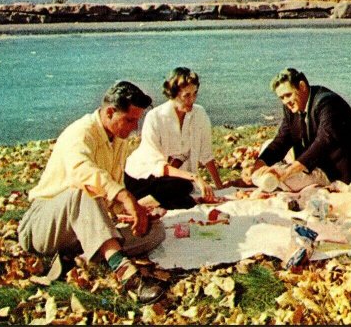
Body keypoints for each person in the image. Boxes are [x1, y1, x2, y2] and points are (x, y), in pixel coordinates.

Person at [18, 81, 167, 304]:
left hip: (80, 225)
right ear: (109, 112)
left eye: (137, 120)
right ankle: (127, 275)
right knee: (83, 191)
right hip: (43, 226)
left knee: (155, 231)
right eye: (129, 120)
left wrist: (133, 213)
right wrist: (125, 196)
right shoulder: (79, 132)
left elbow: (111, 196)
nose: (134, 128)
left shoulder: (118, 140)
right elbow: (83, 173)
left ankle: (83, 253)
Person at [252, 68, 351, 190]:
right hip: (314, 162)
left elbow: (323, 143)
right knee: (266, 149)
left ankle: (278, 178)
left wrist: (287, 171)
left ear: (302, 86)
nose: (286, 101)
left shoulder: (327, 103)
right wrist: (257, 167)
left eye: (288, 95)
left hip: (335, 171)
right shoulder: (292, 107)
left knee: (284, 179)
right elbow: (282, 139)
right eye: (282, 98)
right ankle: (270, 176)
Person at [124, 67, 222, 210]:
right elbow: (157, 166)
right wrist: (195, 177)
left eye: (195, 94)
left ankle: (154, 203)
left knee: (186, 199)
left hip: (172, 181)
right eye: (186, 95)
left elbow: (206, 155)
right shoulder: (155, 117)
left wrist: (219, 186)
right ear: (173, 94)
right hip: (141, 177)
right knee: (183, 187)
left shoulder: (199, 114)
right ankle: (137, 205)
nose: (192, 100)